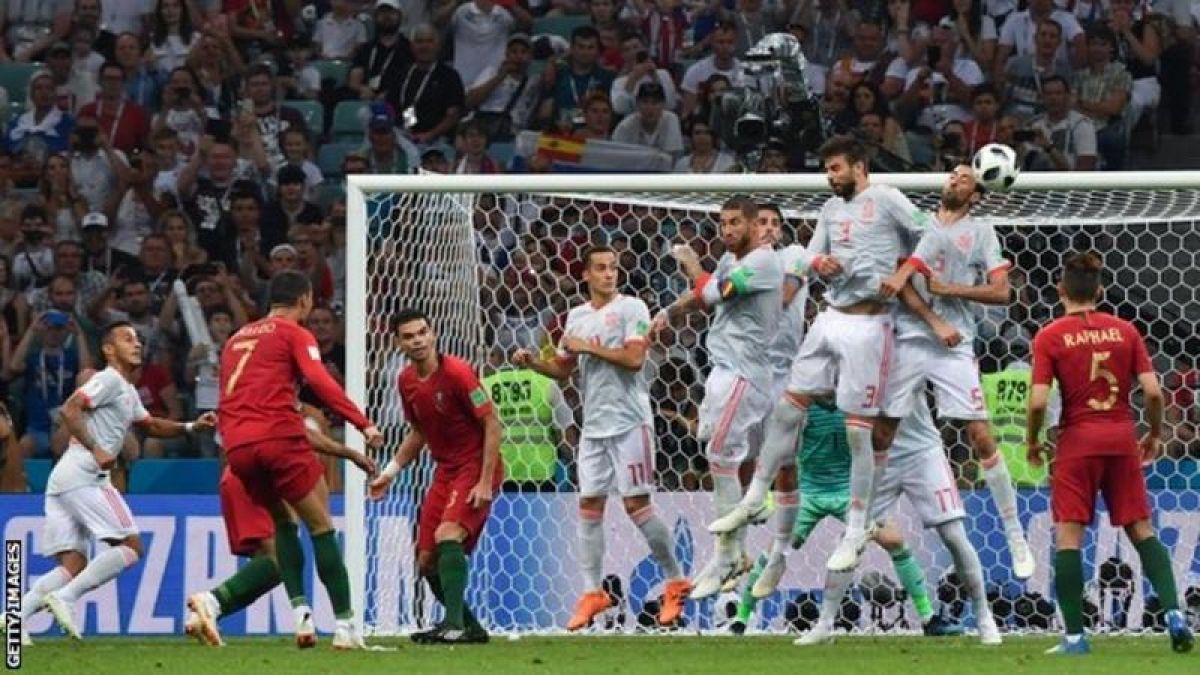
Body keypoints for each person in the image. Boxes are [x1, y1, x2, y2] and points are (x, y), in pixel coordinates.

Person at [707, 137, 925, 576]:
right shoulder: (830, 210)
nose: (830, 176)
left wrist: (902, 274)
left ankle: (857, 529)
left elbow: (931, 235)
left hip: (870, 325)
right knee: (789, 406)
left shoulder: (887, 199)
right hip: (830, 317)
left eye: (836, 169)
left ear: (860, 167)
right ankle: (752, 499)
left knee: (858, 433)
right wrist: (820, 261)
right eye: (828, 169)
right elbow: (807, 255)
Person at [190, 270, 383, 649]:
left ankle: (302, 618)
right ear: (305, 299)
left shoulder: (236, 340)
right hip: (278, 437)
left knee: (283, 524)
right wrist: (363, 424)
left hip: (238, 448)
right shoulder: (294, 333)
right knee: (321, 525)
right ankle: (345, 628)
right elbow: (320, 381)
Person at [514, 246, 691, 630]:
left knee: (637, 506)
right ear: (586, 275)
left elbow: (634, 360)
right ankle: (593, 590)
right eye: (600, 268)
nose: (609, 274)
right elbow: (563, 370)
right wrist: (534, 364)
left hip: (630, 421)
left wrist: (587, 347)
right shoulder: (576, 317)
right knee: (589, 505)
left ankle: (676, 580)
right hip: (593, 425)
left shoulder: (633, 309)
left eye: (613, 268)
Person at [1028, 252, 1194, 655]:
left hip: (1077, 441)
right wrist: (1153, 432)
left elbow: (1037, 401)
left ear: (1060, 290)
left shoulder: (1049, 336)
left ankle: (1074, 638)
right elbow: (1153, 392)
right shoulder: (1126, 331)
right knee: (1141, 530)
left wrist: (1033, 440)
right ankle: (1174, 613)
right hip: (1121, 436)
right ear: (1100, 291)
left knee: (1069, 535)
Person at [874, 165, 1034, 579]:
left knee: (980, 434)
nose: (954, 180)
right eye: (952, 175)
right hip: (913, 336)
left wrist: (951, 292)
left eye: (964, 178)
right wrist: (933, 319)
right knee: (882, 431)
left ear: (977, 193)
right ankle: (864, 523)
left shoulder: (982, 231)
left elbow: (1002, 291)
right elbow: (903, 281)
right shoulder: (918, 225)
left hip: (956, 342)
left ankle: (1015, 535)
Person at [21, 323, 216, 639]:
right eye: (128, 339)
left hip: (65, 478)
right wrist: (96, 447)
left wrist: (192, 426)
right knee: (132, 546)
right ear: (108, 350)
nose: (137, 344)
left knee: (73, 563)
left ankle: (12, 619)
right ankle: (65, 598)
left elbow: (149, 425)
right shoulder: (108, 380)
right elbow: (71, 410)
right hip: (86, 475)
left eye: (138, 339)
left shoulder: (125, 389)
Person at [789, 397, 1001, 645]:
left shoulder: (914, 358)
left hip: (922, 454)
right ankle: (824, 624)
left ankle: (984, 617)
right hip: (878, 457)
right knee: (851, 538)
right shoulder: (857, 363)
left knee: (953, 534)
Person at [651, 196, 782, 598]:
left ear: (752, 226)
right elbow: (706, 295)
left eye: (734, 224)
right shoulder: (731, 262)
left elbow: (712, 294)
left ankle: (729, 553)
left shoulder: (763, 262)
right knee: (715, 447)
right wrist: (669, 311)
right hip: (724, 371)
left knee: (721, 456)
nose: (727, 231)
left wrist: (689, 262)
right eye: (722, 224)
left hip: (745, 373)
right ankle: (736, 548)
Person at [184, 406, 376, 648]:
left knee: (273, 562)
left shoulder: (249, 396)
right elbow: (304, 436)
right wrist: (350, 451)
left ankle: (208, 611)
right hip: (254, 479)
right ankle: (211, 601)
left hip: (242, 475)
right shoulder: (280, 398)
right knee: (278, 560)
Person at [368, 307, 502, 644]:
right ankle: (470, 628)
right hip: (445, 471)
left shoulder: (458, 373)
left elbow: (491, 423)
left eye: (422, 333)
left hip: (474, 465)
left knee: (447, 535)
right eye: (409, 336)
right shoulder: (406, 382)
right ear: (398, 343)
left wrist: (485, 481)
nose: (417, 341)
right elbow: (418, 433)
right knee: (426, 561)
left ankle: (453, 625)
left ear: (433, 333)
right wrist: (390, 472)